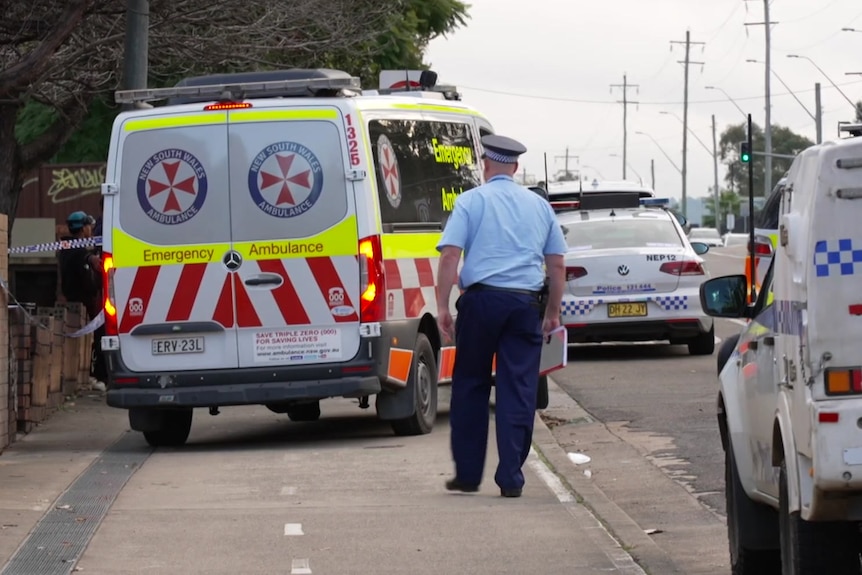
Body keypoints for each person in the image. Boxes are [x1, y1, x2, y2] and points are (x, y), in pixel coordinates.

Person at [435, 134, 567, 498]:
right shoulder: (539, 207)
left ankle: (467, 475)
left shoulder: (470, 201)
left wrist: (443, 306)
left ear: (485, 165)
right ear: (517, 168)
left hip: (479, 304)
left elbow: (449, 256)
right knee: (518, 389)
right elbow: (556, 263)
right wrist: (553, 312)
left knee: (470, 385)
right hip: (525, 306)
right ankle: (510, 477)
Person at [57, 211, 107, 387]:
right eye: (88, 226)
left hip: (78, 303)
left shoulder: (69, 247)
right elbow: (79, 257)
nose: (91, 230)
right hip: (81, 303)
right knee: (99, 335)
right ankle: (98, 374)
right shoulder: (73, 249)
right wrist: (91, 258)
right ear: (83, 227)